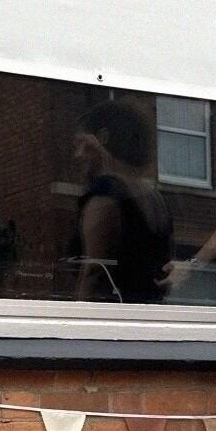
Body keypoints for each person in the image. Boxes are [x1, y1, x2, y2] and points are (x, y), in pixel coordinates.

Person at [72, 100, 174, 303]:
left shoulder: (105, 194)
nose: (78, 154)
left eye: (82, 144)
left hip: (111, 318)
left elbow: (94, 271)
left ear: (102, 138)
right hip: (151, 315)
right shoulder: (154, 198)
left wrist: (75, 317)